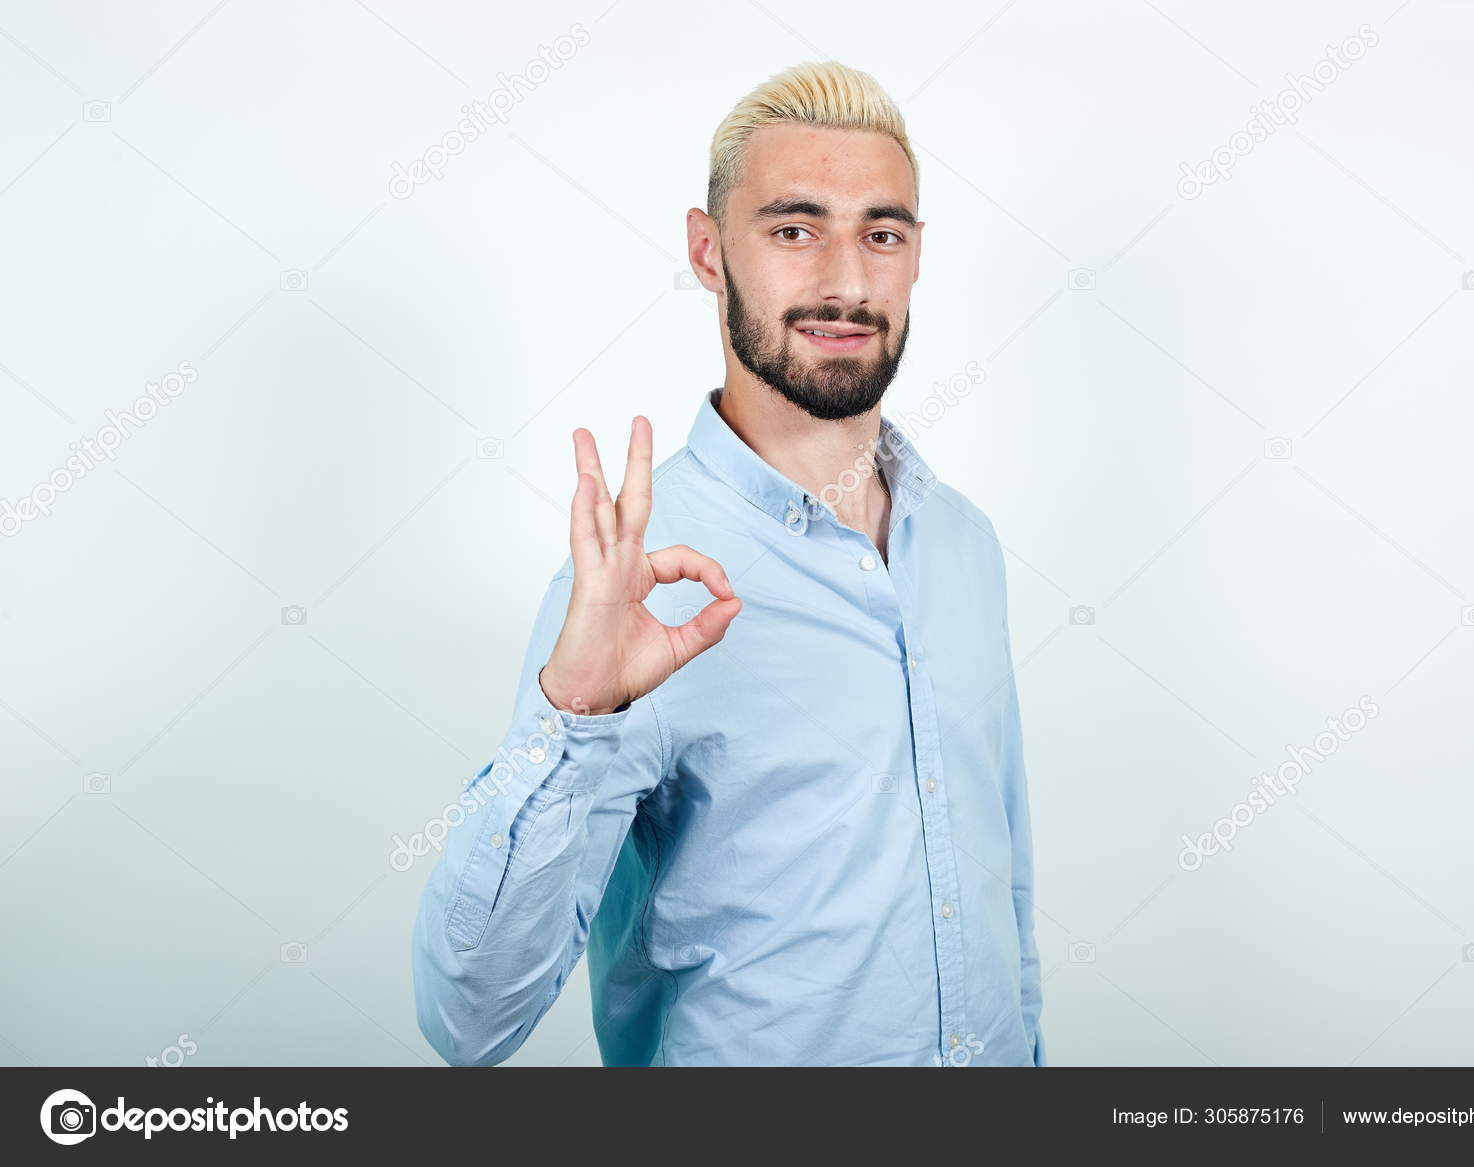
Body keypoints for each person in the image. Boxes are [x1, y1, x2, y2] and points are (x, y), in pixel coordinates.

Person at [411, 60, 1045, 1067]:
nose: (844, 279)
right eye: (794, 228)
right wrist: (572, 713)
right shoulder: (637, 587)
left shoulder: (964, 545)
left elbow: (1004, 905)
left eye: (880, 232)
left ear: (916, 255)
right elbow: (469, 1026)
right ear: (708, 252)